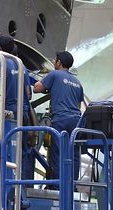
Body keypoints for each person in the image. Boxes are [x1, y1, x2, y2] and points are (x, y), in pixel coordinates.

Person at [33, 51, 84, 180]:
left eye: (55, 60)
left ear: (59, 62)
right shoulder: (77, 82)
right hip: (77, 121)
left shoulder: (55, 74)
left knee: (58, 152)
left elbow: (36, 88)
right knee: (73, 153)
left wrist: (46, 87)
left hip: (61, 119)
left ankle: (57, 185)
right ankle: (72, 185)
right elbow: (78, 104)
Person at [0, 35, 39, 180]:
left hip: (8, 113)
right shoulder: (21, 66)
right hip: (23, 112)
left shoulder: (0, 64)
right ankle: (23, 186)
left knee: (5, 150)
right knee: (23, 152)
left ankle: (6, 185)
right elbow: (28, 92)